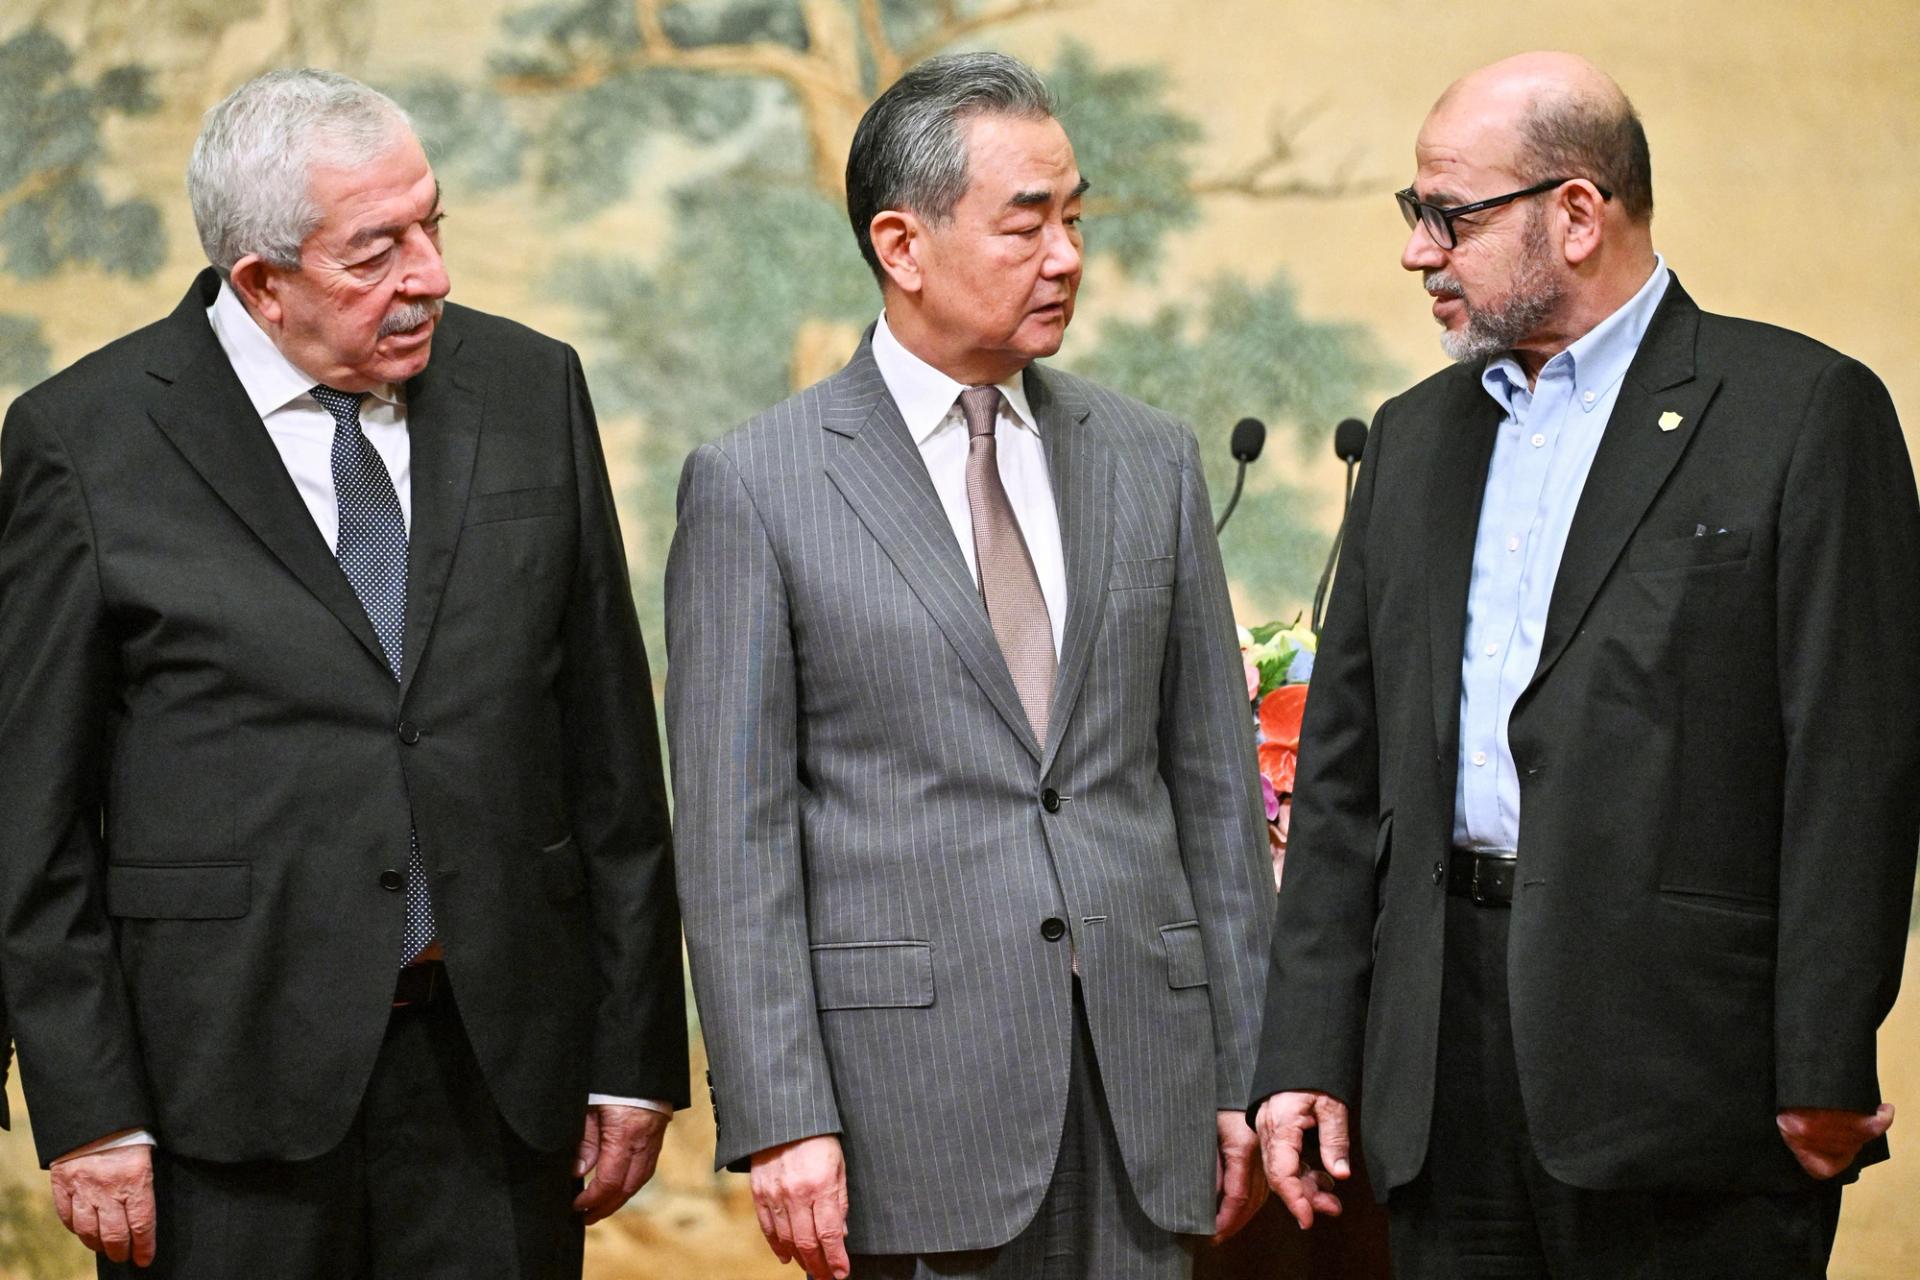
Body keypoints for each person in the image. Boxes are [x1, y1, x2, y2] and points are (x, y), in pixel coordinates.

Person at [0, 68, 688, 1277]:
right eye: (378, 250)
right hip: (218, 1098)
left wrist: (632, 1055)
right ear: (260, 281)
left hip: (498, 1080)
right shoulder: (84, 439)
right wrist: (92, 1107)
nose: (431, 274)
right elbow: (31, 814)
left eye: (434, 224)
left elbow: (611, 758)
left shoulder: (532, 387)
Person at [1249, 50, 1920, 1279]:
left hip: (1688, 1081)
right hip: (1439, 1069)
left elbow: (1854, 763)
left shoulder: (1801, 412)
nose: (1419, 250)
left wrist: (1827, 1056)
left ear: (1576, 213)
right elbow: (1346, 779)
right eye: (1416, 214)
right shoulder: (1413, 439)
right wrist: (1304, 1049)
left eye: (1451, 215)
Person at [666, 51, 1274, 1280]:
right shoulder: (759, 484)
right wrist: (783, 1112)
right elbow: (735, 841)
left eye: (1076, 215)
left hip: (1146, 1096)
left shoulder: (1147, 458)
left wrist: (1245, 1066)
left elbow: (1210, 786)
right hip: (912, 1107)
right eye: (1027, 222)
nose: (1067, 254)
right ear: (902, 244)